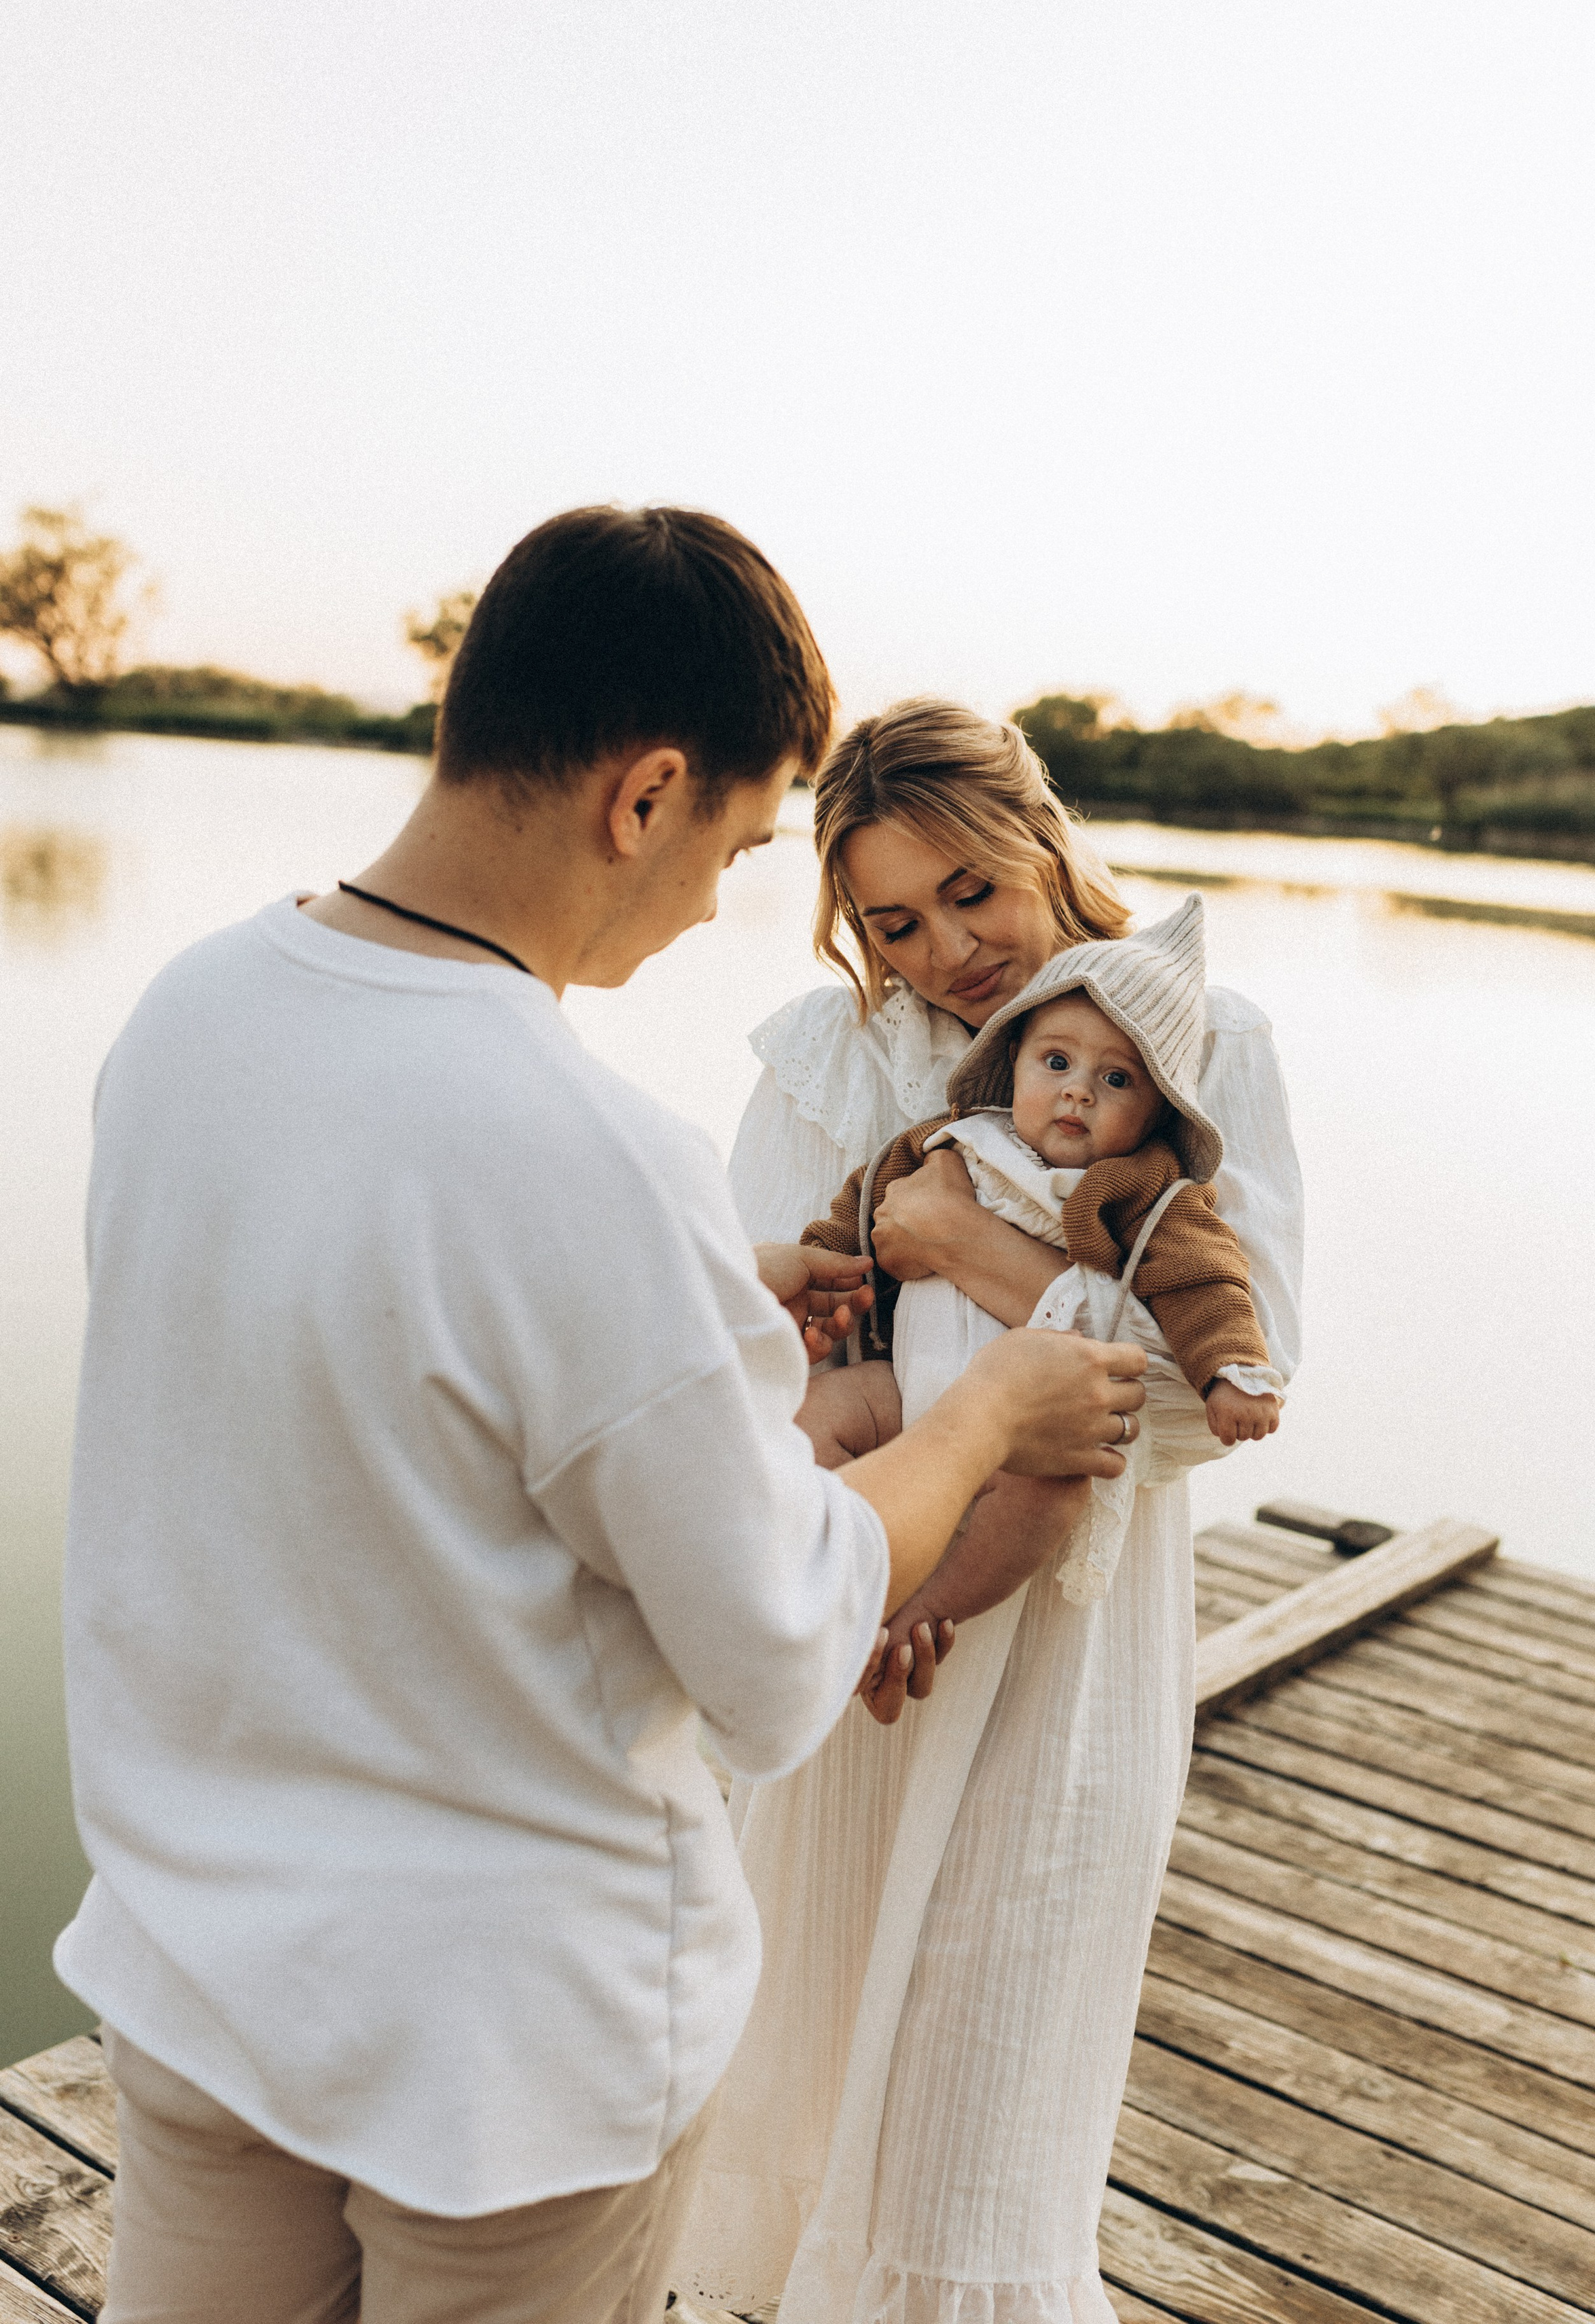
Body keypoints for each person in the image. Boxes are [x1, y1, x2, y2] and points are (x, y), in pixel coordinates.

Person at [54, 515, 1146, 2324]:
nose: (721, 897)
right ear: (645, 795)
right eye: (731, 837)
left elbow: (361, 1368)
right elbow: (781, 1649)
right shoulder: (591, 1159)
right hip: (509, 2061)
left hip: (202, 1980)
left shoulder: (190, 1014)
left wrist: (718, 1296)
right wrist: (986, 1420)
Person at [671, 698, 1303, 2324]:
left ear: (1040, 837)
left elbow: (1211, 1389)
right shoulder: (828, 1060)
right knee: (796, 2078)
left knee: (981, 2107)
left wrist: (962, 1250)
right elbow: (762, 1356)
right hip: (865, 1604)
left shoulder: (1193, 1042)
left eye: (970, 890)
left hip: (1065, 1649)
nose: (942, 945)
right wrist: (845, 1565)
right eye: (889, 917)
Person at [793, 908, 1285, 1675]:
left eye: (1115, 1079)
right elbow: (859, 1210)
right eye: (1056, 1063)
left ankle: (920, 1617)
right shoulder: (950, 1143)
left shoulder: (1143, 1192)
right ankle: (823, 1586)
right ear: (1012, 1061)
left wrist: (1231, 1370)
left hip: (1030, 1432)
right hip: (901, 1395)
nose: (1077, 1093)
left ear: (1156, 1110)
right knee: (817, 1413)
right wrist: (818, 1277)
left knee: (1051, 1497)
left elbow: (1203, 1281)